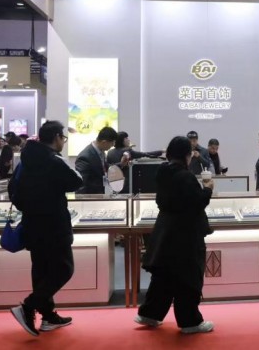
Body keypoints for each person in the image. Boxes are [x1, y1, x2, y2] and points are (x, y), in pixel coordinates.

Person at [135, 135, 215, 334]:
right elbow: (197, 202)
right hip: (185, 234)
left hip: (165, 230)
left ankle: (150, 313)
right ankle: (190, 321)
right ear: (187, 155)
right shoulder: (185, 176)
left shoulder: (163, 171)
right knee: (188, 277)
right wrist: (207, 190)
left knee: (163, 275)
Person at [10, 121, 83, 337]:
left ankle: (48, 316)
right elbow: (76, 182)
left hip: (32, 223)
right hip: (54, 225)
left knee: (41, 270)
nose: (64, 142)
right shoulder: (53, 161)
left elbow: (13, 189)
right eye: (64, 138)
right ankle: (28, 306)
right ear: (57, 137)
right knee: (64, 269)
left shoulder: (26, 159)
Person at [75, 127, 122, 194]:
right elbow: (81, 184)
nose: (113, 145)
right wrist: (82, 200)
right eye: (112, 143)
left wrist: (121, 164)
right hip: (91, 197)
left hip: (101, 194)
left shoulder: (101, 152)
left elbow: (104, 167)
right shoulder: (85, 157)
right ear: (104, 142)